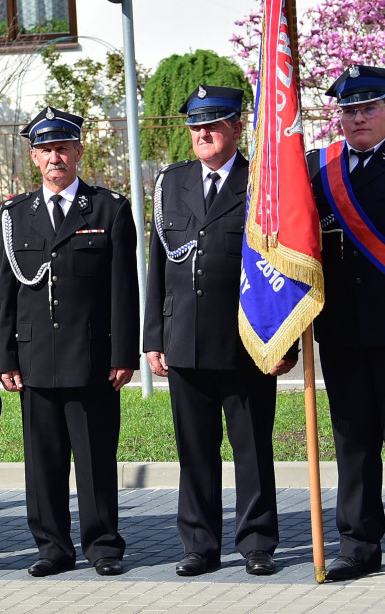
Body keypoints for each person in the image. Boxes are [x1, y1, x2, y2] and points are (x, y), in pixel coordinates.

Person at [142, 86, 296, 578]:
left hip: (247, 341)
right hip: (183, 337)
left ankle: (257, 542)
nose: (202, 133)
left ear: (236, 126)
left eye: (213, 123)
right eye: (195, 125)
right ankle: (199, 545)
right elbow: (158, 264)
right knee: (195, 451)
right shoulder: (171, 183)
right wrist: (152, 337)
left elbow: (284, 267)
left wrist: (285, 339)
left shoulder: (263, 183)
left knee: (252, 447)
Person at [0, 106, 137, 577]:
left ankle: (103, 547)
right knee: (43, 462)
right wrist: (7, 356)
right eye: (45, 150)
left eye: (63, 148)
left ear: (78, 151)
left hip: (93, 356)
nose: (55, 157)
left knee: (96, 458)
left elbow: (123, 289)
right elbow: (6, 294)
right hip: (36, 358)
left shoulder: (108, 208)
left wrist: (123, 353)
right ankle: (52, 548)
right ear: (34, 157)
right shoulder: (15, 215)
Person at [307, 65, 385, 581]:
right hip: (342, 331)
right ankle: (358, 544)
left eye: (368, 108)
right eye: (348, 111)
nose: (357, 119)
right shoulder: (317, 168)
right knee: (351, 441)